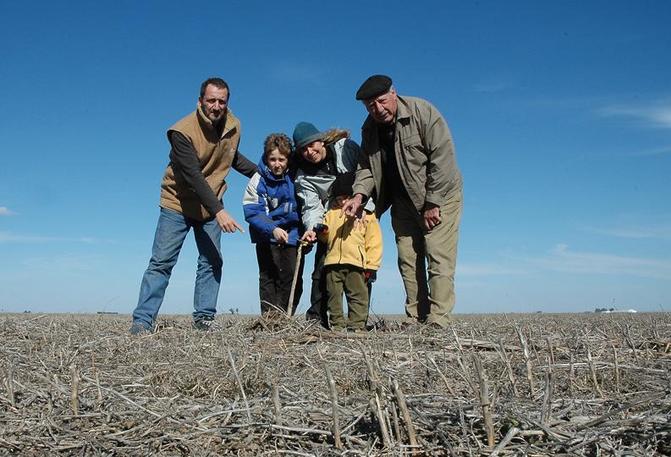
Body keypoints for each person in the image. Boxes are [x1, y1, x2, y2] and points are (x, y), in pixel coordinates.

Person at [130, 77, 256, 334]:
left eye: (222, 101)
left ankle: (204, 319)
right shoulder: (182, 132)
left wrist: (262, 174)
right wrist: (219, 211)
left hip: (211, 204)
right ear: (200, 101)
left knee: (212, 261)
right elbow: (193, 177)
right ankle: (142, 321)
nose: (216, 106)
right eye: (211, 100)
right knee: (162, 262)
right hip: (178, 202)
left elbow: (232, 157)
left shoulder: (233, 125)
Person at [343, 75, 463, 328]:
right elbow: (366, 167)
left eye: (382, 101)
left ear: (394, 93)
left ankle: (438, 322)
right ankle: (416, 318)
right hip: (402, 202)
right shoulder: (369, 128)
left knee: (437, 256)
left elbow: (443, 158)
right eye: (370, 106)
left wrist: (433, 202)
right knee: (408, 260)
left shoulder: (424, 112)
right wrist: (358, 196)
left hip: (440, 197)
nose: (378, 109)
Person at [292, 122, 375, 327]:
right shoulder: (303, 176)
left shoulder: (346, 148)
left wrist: (364, 206)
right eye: (303, 149)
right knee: (322, 269)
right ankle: (317, 320)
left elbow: (367, 174)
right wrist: (313, 228)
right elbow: (311, 207)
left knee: (362, 270)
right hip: (331, 222)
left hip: (360, 217)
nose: (309, 152)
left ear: (321, 140)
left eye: (311, 145)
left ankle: (358, 321)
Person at [242, 133, 302, 315]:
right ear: (266, 159)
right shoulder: (257, 179)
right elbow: (252, 211)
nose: (277, 164)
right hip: (266, 235)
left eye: (281, 159)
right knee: (268, 277)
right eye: (272, 159)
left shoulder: (297, 176)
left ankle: (284, 316)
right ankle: (269, 317)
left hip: (292, 235)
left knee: (291, 278)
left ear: (288, 159)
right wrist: (272, 229)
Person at [317, 173, 382, 331]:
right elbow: (326, 238)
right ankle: (337, 326)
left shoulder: (367, 216)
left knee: (358, 296)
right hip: (332, 264)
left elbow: (374, 242)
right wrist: (322, 231)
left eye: (346, 197)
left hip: (356, 264)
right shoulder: (331, 214)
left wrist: (371, 266)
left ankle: (356, 326)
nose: (343, 202)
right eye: (339, 199)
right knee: (334, 297)